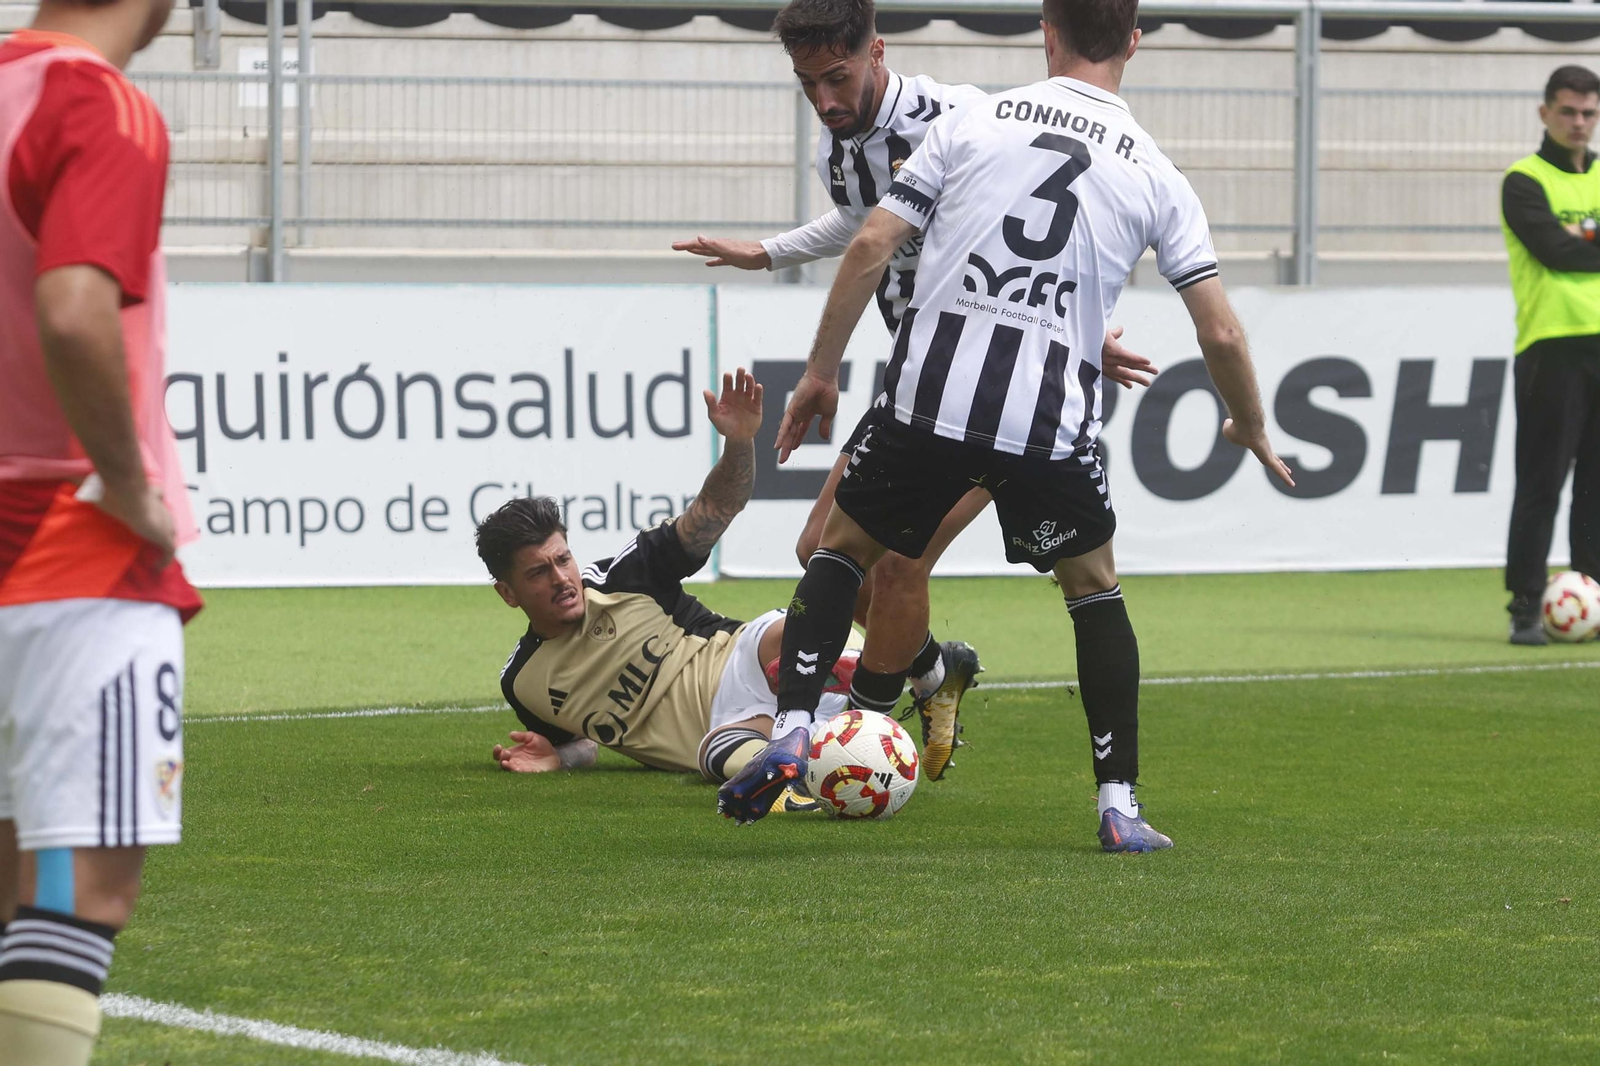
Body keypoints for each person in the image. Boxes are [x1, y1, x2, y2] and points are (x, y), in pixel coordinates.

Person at [719, 0, 1294, 852]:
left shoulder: (973, 121)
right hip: (1050, 427)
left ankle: (797, 731)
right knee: (1094, 593)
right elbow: (1220, 331)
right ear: (1133, 41)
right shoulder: (1158, 174)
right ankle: (1119, 806)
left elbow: (873, 242)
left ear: (1046, 31)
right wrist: (1249, 424)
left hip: (926, 405)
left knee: (840, 551)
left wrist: (819, 372)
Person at [672, 0, 1158, 780]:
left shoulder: (957, 115)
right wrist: (767, 253)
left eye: (838, 77)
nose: (825, 100)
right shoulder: (842, 147)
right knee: (819, 548)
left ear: (877, 52)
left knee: (897, 565)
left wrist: (1081, 334)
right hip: (924, 386)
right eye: (808, 84)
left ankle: (850, 744)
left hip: (1009, 396)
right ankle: (935, 673)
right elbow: (858, 220)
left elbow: (1043, 218)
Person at [477, 368, 955, 814]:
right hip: (725, 732)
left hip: (740, 662)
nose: (562, 578)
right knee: (719, 750)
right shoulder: (523, 681)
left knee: (790, 625)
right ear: (508, 592)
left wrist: (739, 444)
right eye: (538, 573)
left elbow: (713, 509)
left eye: (562, 559)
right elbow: (583, 745)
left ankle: (889, 676)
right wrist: (557, 759)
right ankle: (809, 766)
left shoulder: (625, 576)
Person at [0, 0, 200, 1062]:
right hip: (71, 549)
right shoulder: (97, 101)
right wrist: (128, 485)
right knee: (78, 889)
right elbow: (74, 309)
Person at [1499, 64, 1600, 646]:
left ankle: (1592, 592)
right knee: (1541, 481)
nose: (1579, 122)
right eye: (1568, 111)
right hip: (1551, 348)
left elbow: (1574, 247)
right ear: (1545, 113)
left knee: (1596, 484)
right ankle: (1524, 605)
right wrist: (1585, 242)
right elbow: (1556, 253)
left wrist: (1582, 242)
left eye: (1588, 113)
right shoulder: (1524, 179)